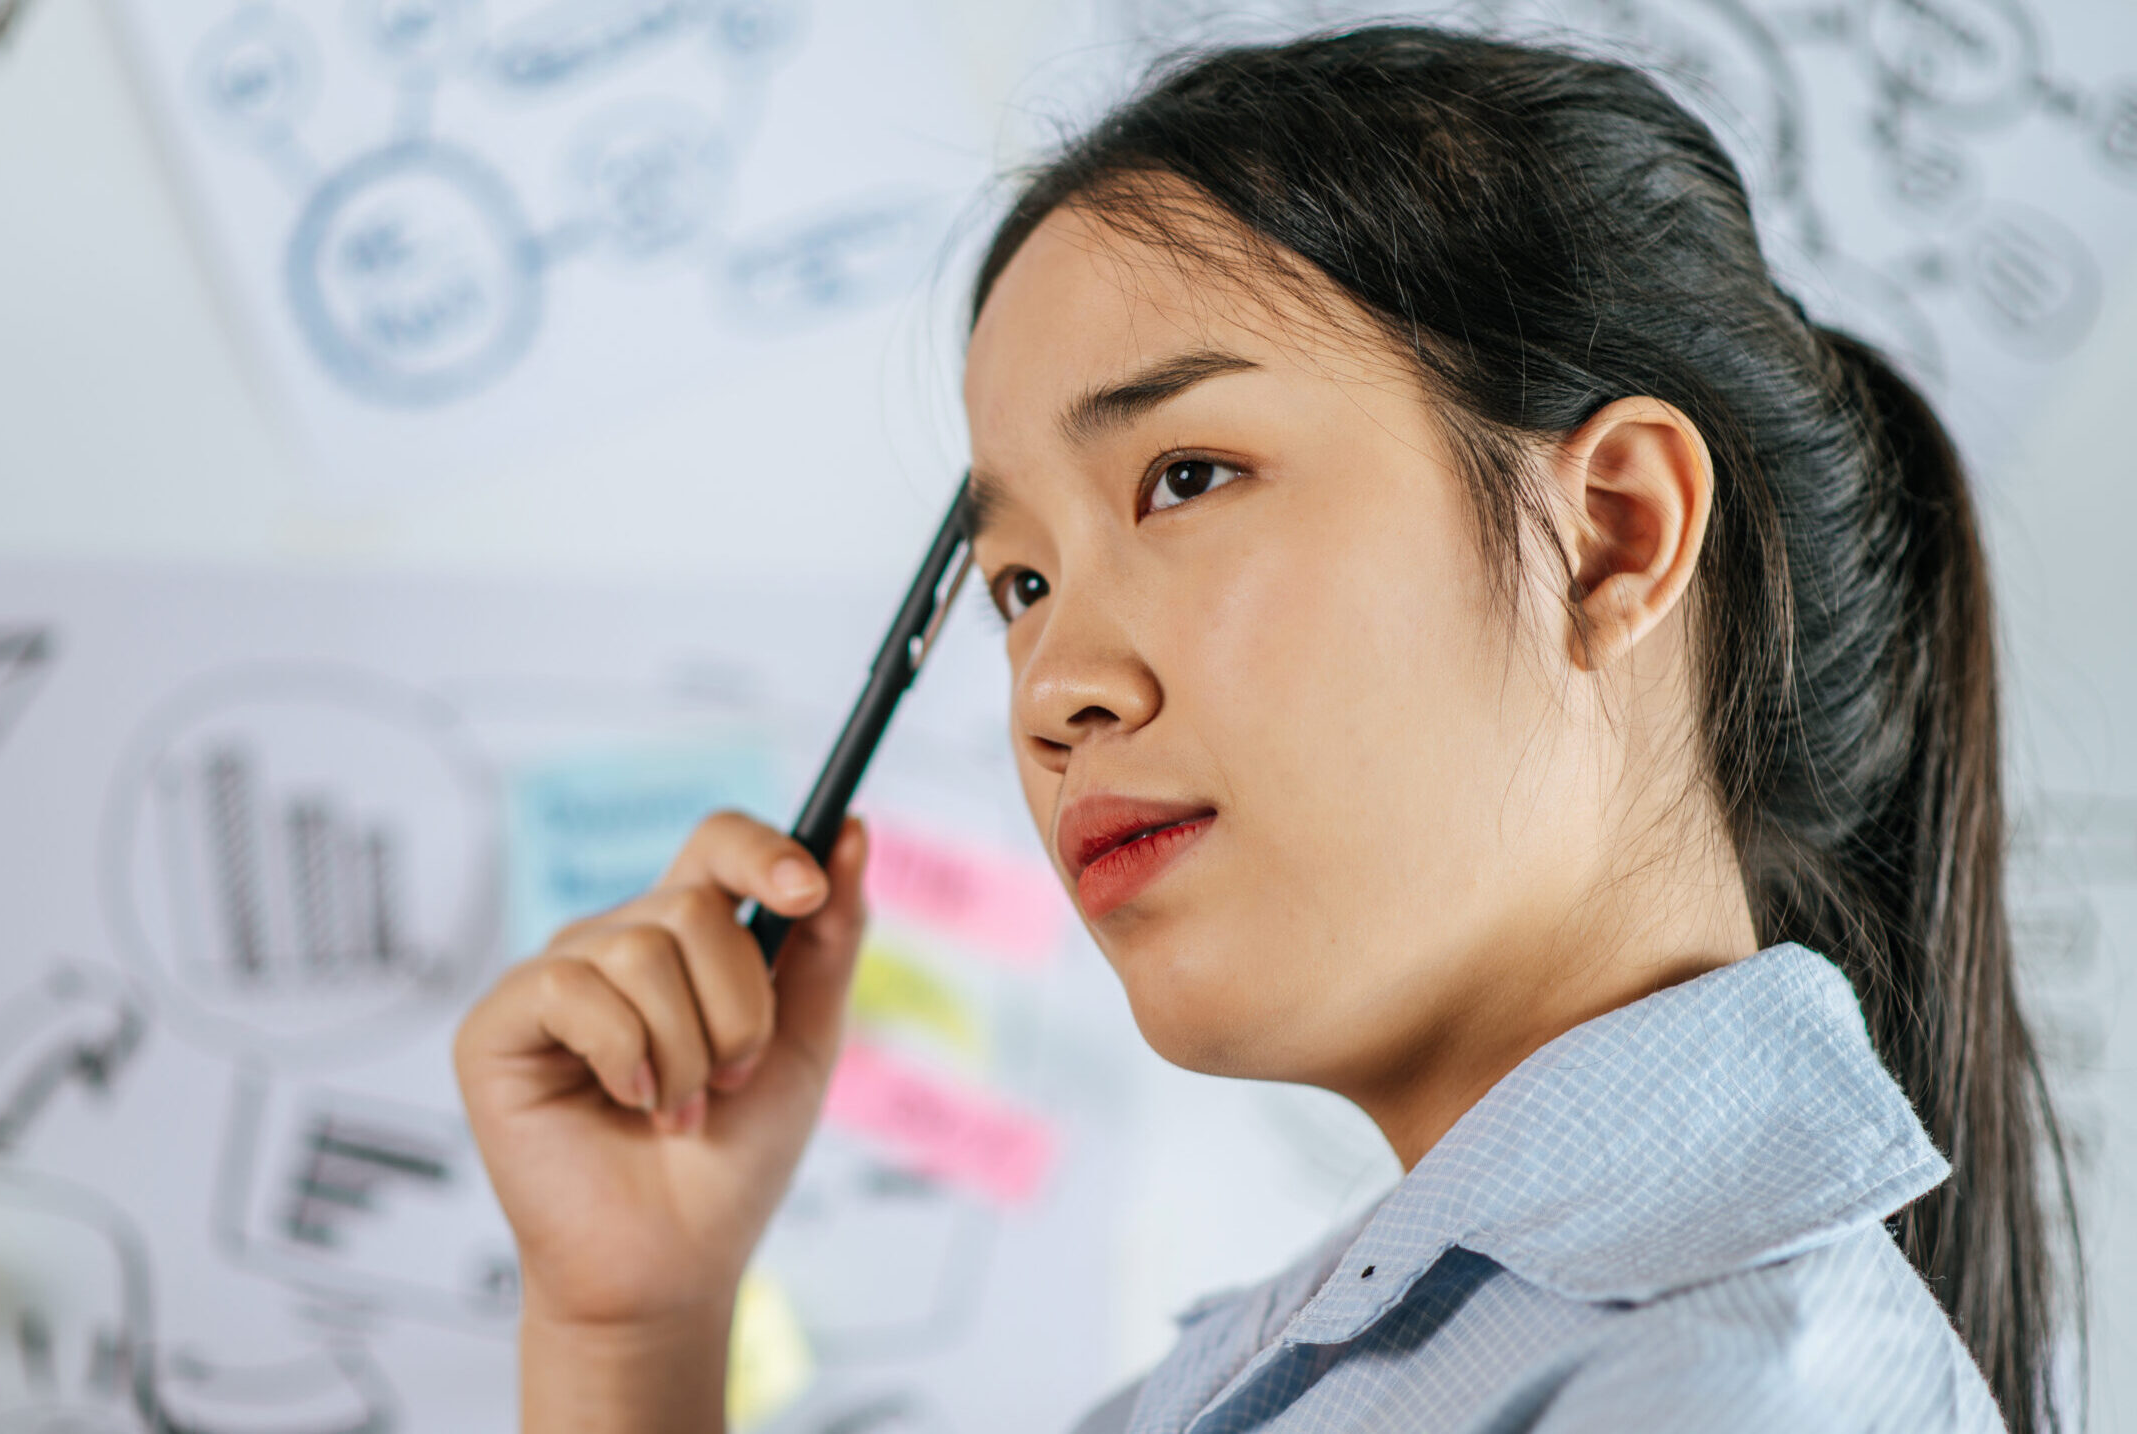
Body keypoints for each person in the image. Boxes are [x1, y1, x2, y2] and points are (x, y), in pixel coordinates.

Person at [452, 26, 2079, 1433]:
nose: (1051, 686)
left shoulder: (1742, 1395)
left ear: (1614, 533)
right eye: (1018, 579)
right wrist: (630, 1326)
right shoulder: (1327, 1363)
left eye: (1184, 477)